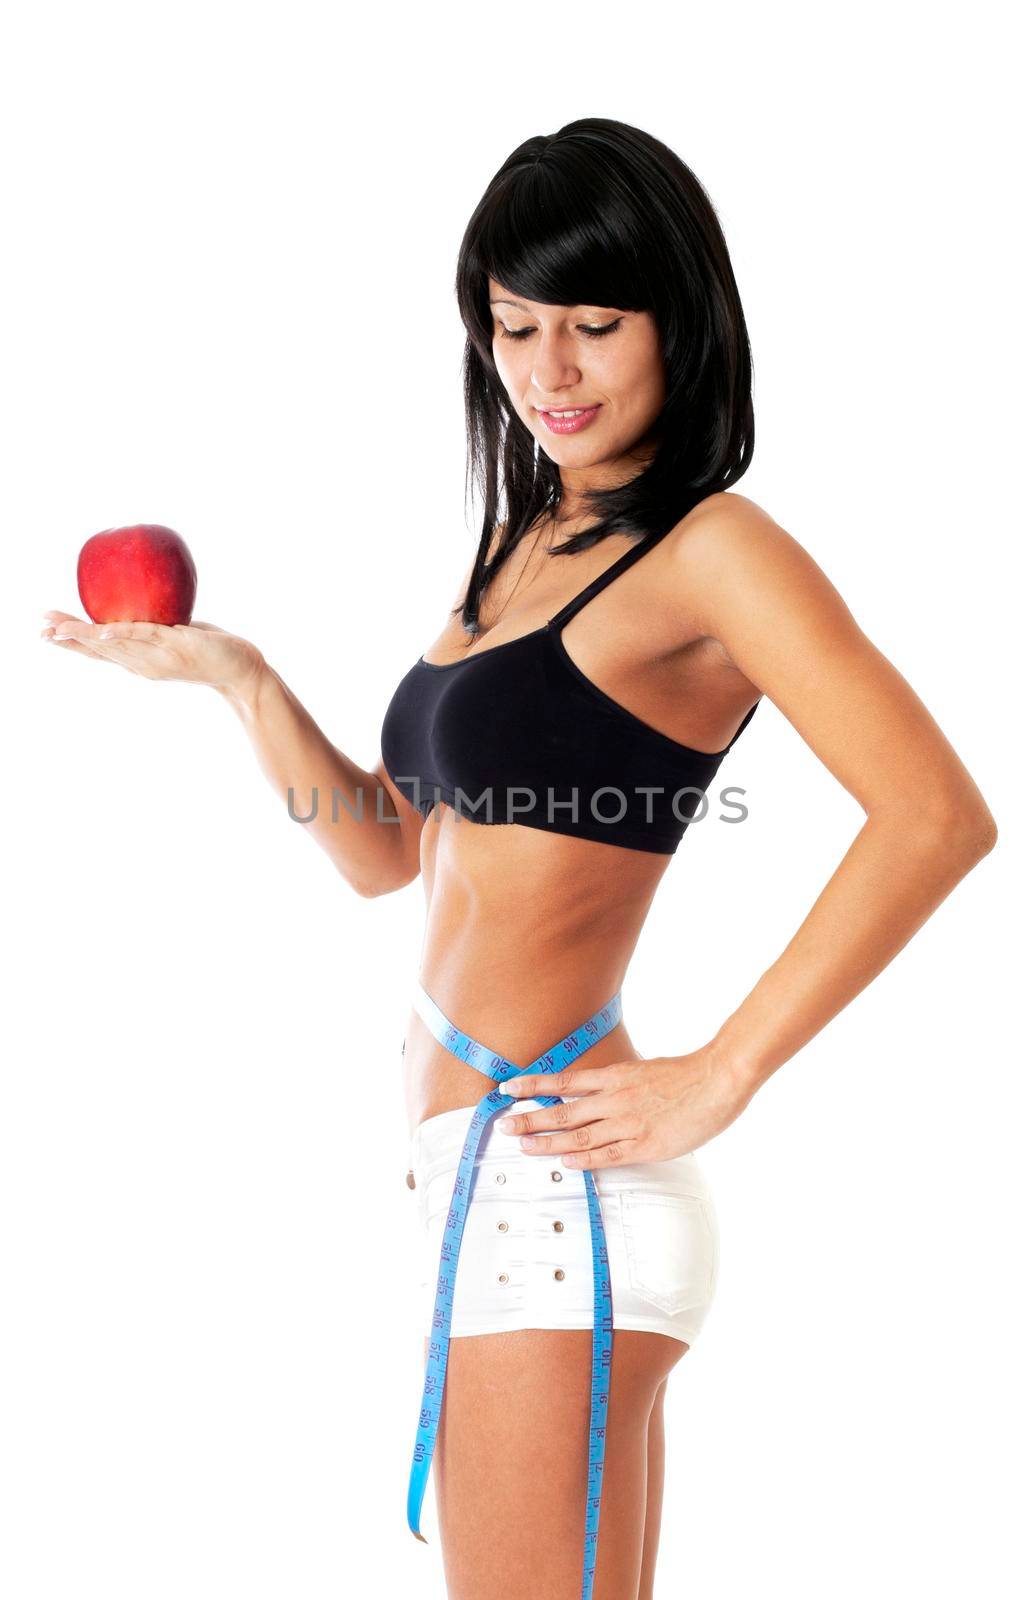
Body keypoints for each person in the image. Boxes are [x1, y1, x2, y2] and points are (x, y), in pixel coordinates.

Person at [41, 117, 998, 1600]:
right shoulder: (524, 540)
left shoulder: (714, 551)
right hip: (478, 1179)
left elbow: (938, 815)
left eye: (596, 327)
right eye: (515, 327)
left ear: (682, 320)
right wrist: (238, 680)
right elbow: (386, 854)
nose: (550, 372)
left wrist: (721, 1071)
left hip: (552, 1189)